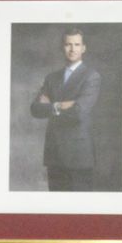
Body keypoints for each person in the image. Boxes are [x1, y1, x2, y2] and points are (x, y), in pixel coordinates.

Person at [28, 28, 100, 191]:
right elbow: (35, 109)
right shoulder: (52, 78)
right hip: (54, 154)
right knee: (55, 207)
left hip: (79, 156)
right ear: (62, 47)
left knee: (79, 210)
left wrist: (50, 105)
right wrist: (59, 105)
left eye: (77, 44)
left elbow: (79, 113)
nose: (72, 49)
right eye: (68, 44)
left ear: (84, 48)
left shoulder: (91, 76)